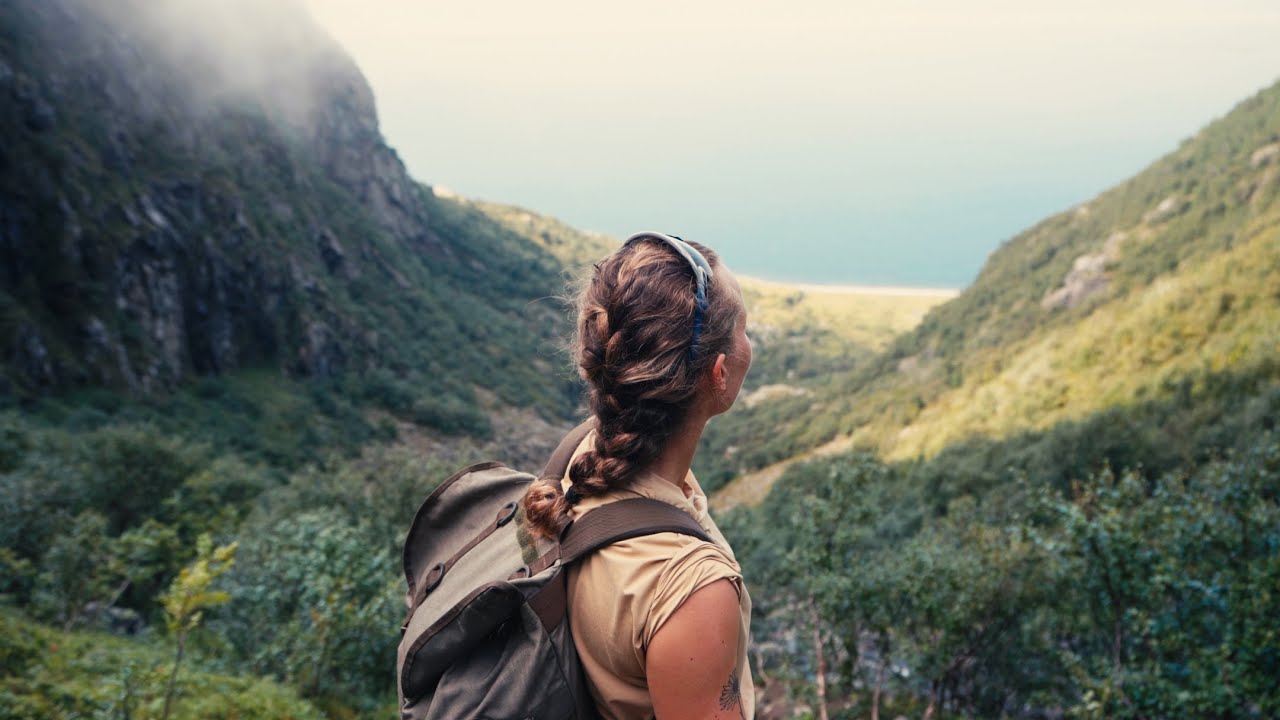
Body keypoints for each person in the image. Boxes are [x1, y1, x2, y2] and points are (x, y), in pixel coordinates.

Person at [523, 232, 755, 720]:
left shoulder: (583, 453)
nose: (748, 344)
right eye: (744, 329)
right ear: (718, 374)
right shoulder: (689, 590)